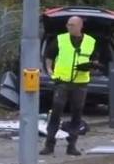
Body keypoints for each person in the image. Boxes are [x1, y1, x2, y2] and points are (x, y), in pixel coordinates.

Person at [41, 15, 98, 156]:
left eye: (72, 25)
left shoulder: (91, 41)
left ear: (80, 26)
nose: (69, 27)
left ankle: (72, 145)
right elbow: (49, 55)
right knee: (56, 111)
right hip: (62, 82)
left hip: (81, 83)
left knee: (77, 113)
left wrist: (91, 67)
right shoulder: (61, 39)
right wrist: (49, 70)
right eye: (68, 25)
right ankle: (49, 144)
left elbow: (95, 59)